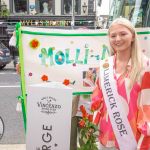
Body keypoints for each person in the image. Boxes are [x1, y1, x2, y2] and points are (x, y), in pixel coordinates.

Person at [91, 17, 150, 150]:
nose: (118, 39)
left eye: (123, 34)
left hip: (132, 140)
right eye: (113, 35)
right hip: (105, 138)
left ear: (133, 36)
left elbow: (147, 107)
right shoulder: (105, 66)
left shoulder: (145, 66)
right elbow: (97, 101)